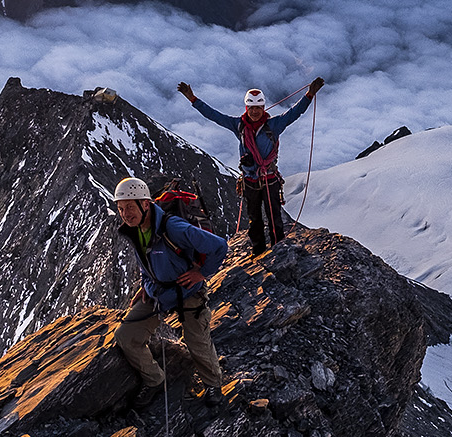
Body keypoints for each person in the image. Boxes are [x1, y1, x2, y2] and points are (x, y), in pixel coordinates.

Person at [110, 176, 230, 396]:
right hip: (159, 292)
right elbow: (146, 262)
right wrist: (145, 285)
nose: (125, 214)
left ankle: (213, 386)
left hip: (188, 291)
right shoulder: (135, 229)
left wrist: (201, 274)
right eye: (120, 209)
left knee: (197, 342)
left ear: (145, 204)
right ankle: (155, 381)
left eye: (129, 207)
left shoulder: (173, 227)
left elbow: (220, 246)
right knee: (126, 336)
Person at [178, 78, 323, 256]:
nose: (254, 112)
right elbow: (214, 116)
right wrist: (193, 100)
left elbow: (295, 113)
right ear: (247, 108)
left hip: (267, 179)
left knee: (273, 217)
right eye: (251, 108)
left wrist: (309, 95)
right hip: (251, 181)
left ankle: (277, 249)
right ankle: (258, 251)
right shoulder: (239, 125)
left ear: (263, 108)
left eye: (258, 108)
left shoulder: (273, 125)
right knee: (255, 219)